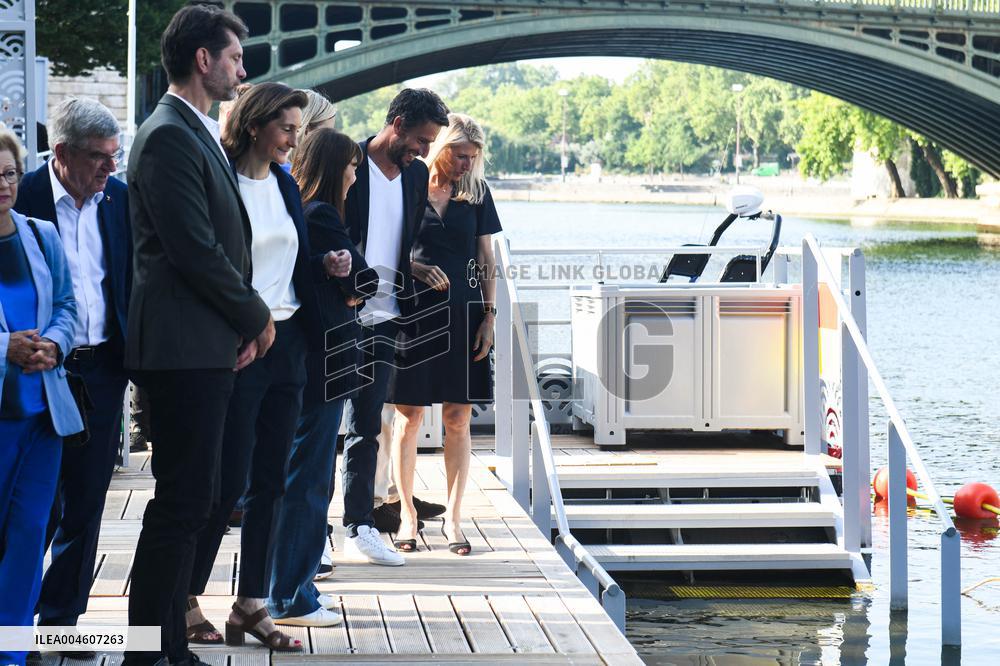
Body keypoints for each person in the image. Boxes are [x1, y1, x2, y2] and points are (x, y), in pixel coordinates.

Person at [123, 6, 275, 665]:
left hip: (202, 343)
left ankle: (162, 648)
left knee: (196, 497)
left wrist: (233, 325)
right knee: (183, 501)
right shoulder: (166, 136)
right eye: (235, 57)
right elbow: (195, 249)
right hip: (181, 349)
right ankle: (145, 652)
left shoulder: (193, 130)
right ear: (203, 59)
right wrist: (256, 316)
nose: (244, 69)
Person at [184, 82, 352, 648]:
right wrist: (243, 324)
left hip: (289, 344)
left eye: (300, 130)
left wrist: (328, 261)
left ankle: (251, 603)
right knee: (224, 481)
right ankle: (185, 598)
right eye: (286, 128)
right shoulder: (219, 181)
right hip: (238, 346)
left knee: (271, 482)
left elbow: (292, 257)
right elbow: (207, 263)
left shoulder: (284, 182)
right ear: (255, 125)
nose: (295, 140)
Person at [14, 98, 132, 639]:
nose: (110, 168)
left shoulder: (119, 200)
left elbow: (128, 282)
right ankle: (12, 621)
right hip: (32, 373)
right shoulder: (22, 197)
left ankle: (61, 623)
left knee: (85, 504)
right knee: (30, 505)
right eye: (99, 158)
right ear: (60, 153)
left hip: (103, 367)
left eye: (115, 156)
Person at [267, 127, 378, 626]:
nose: (357, 176)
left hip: (297, 360)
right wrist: (351, 281)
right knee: (309, 479)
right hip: (324, 363)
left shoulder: (294, 209)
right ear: (337, 168)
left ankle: (287, 589)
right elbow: (366, 279)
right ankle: (293, 596)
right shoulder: (325, 214)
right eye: (353, 167)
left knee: (293, 474)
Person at [340, 88, 449, 565]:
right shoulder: (348, 163)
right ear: (398, 122)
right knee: (320, 432)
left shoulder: (417, 174)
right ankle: (308, 535)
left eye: (428, 144)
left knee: (367, 426)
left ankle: (357, 526)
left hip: (387, 316)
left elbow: (402, 240)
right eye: (421, 139)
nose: (424, 151)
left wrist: (413, 269)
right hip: (339, 315)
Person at [387, 114, 500, 555]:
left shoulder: (477, 194)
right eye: (460, 155)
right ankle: (408, 517)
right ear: (441, 149)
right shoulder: (408, 183)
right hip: (412, 313)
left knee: (458, 418)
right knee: (408, 418)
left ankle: (454, 519)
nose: (466, 164)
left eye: (473, 158)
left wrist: (489, 315)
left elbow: (485, 256)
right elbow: (386, 245)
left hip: (465, 316)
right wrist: (412, 268)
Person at [0, 128, 83, 666]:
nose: (2, 184)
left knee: (30, 534)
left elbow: (70, 306)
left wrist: (53, 340)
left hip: (43, 415)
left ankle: (10, 649)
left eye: (8, 173)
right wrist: (4, 348)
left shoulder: (40, 235)